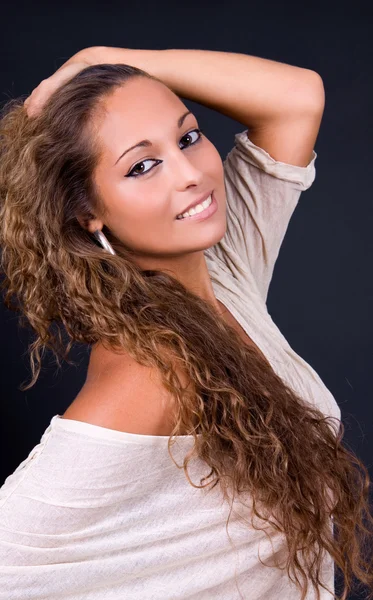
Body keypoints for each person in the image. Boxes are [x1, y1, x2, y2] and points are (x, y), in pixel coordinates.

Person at [0, 46, 372, 600]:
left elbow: (296, 101)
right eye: (142, 165)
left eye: (189, 137)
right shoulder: (148, 375)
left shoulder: (223, 272)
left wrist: (103, 59)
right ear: (87, 213)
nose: (192, 175)